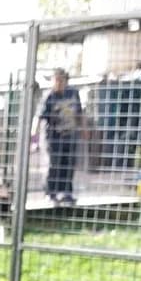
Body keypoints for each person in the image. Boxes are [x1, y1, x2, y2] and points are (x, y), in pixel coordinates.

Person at [37, 68, 83, 205]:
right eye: (56, 80)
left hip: (70, 135)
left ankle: (66, 193)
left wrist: (83, 128)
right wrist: (33, 134)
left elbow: (79, 113)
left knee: (68, 164)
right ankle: (50, 193)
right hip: (53, 137)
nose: (58, 83)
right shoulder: (49, 96)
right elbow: (40, 116)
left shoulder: (73, 93)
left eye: (61, 80)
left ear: (66, 81)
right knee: (53, 164)